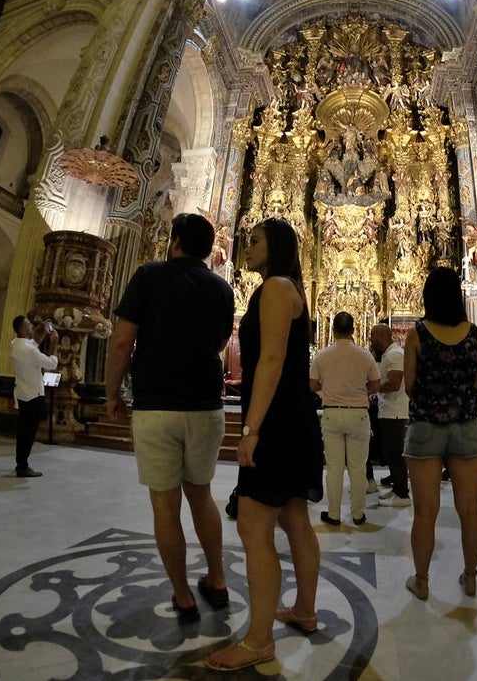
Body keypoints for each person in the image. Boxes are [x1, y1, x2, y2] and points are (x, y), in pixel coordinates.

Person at [206, 218, 322, 673]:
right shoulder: (290, 288)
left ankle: (258, 642)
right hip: (293, 418)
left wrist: (250, 428)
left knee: (254, 527)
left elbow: (271, 359)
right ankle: (305, 610)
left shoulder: (274, 288)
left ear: (277, 246)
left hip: (275, 421)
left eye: (255, 240)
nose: (246, 247)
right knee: (295, 519)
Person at [106, 213, 235, 622]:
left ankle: (183, 596)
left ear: (175, 241)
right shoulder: (222, 288)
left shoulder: (149, 275)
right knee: (202, 495)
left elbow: (122, 339)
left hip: (157, 404)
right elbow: (221, 342)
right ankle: (217, 580)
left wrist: (112, 392)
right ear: (209, 249)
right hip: (205, 406)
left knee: (165, 505)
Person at [402, 267, 477, 599]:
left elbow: (409, 386)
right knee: (470, 509)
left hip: (426, 425)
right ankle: (471, 576)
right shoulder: (475, 334)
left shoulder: (418, 334)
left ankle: (421, 580)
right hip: (466, 426)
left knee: (425, 512)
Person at [310, 312, 381, 526]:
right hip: (358, 413)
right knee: (358, 468)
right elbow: (376, 385)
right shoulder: (365, 355)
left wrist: (327, 391)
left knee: (334, 468)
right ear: (353, 330)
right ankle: (358, 514)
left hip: (332, 412)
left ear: (333, 330)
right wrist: (358, 391)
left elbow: (312, 384)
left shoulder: (323, 355)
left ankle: (333, 514)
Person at [9, 315, 57, 477]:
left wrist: (40, 332)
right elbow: (51, 363)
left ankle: (20, 462)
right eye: (28, 325)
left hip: (22, 393)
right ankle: (23, 466)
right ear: (23, 329)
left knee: (23, 430)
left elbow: (32, 346)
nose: (31, 326)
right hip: (34, 395)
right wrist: (53, 345)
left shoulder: (14, 344)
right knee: (29, 432)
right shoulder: (28, 350)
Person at [370, 323, 411, 507]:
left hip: (394, 411)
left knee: (395, 452)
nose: (371, 339)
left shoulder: (394, 354)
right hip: (388, 409)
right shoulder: (389, 354)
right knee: (390, 451)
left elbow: (394, 384)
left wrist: (374, 388)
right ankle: (396, 488)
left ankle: (402, 494)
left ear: (381, 336)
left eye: (373, 335)